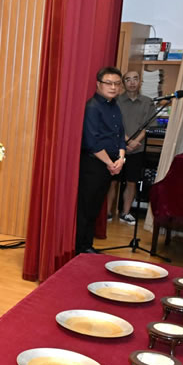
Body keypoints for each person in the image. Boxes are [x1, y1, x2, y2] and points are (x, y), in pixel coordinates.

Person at [76, 66, 126, 254]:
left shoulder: (115, 106)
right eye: (109, 83)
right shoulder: (92, 107)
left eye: (116, 84)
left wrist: (121, 159)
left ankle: (88, 246)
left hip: (111, 164)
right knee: (86, 208)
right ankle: (80, 248)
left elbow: (120, 134)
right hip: (94, 164)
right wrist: (109, 163)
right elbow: (92, 141)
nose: (113, 87)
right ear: (99, 84)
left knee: (96, 207)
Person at [107, 70, 155, 224]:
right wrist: (127, 141)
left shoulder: (148, 102)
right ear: (123, 83)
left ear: (140, 81)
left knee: (132, 181)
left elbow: (147, 126)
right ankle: (108, 212)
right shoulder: (116, 101)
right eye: (128, 79)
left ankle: (125, 213)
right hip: (117, 147)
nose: (132, 82)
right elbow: (114, 125)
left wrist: (135, 142)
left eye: (135, 79)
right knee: (113, 181)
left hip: (137, 148)